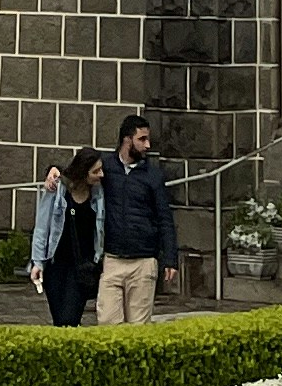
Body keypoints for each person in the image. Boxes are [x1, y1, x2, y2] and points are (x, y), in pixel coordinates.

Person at [95, 113, 180, 322]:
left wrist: (170, 258)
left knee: (138, 328)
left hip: (143, 261)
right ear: (127, 140)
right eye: (142, 139)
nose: (147, 145)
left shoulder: (153, 175)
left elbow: (164, 218)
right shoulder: (105, 167)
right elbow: (77, 173)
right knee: (107, 323)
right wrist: (52, 171)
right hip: (113, 258)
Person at [29, 146, 103, 326]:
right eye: (96, 171)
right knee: (59, 320)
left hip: (82, 267)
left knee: (69, 319)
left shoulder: (99, 194)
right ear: (84, 173)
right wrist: (37, 262)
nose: (101, 174)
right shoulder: (58, 191)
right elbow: (42, 226)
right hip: (56, 265)